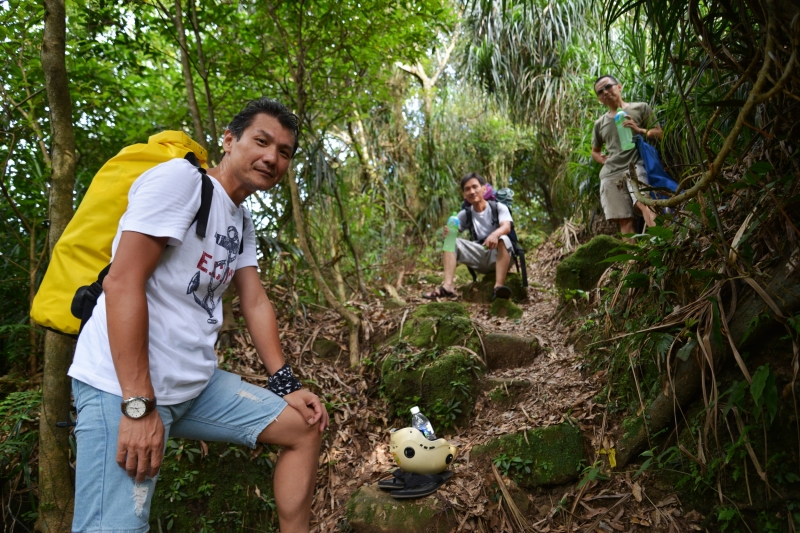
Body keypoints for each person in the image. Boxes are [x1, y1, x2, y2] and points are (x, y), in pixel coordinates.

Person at [67, 98, 328, 533]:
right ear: (229, 140)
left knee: (304, 427)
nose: (272, 157)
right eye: (261, 141)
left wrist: (285, 382)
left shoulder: (241, 220)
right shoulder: (181, 182)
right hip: (122, 387)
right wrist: (137, 407)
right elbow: (122, 282)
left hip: (192, 384)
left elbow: (255, 301)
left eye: (284, 151)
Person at [422, 172, 513, 301]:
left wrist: (495, 234)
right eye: (467, 189)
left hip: (501, 256)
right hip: (481, 255)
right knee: (450, 240)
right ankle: (448, 286)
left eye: (475, 187)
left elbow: (506, 227)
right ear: (464, 194)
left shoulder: (498, 207)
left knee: (504, 238)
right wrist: (448, 232)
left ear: (484, 188)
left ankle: (498, 287)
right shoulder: (465, 214)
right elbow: (452, 233)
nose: (472, 191)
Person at [591, 74, 663, 236]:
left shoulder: (640, 108)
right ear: (600, 99)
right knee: (624, 219)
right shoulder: (599, 124)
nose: (605, 92)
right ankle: (633, 260)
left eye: (608, 86)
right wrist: (603, 159)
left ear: (619, 86)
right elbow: (595, 151)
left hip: (635, 165)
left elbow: (660, 134)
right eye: (600, 91)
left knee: (644, 203)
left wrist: (639, 130)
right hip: (610, 174)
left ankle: (663, 243)